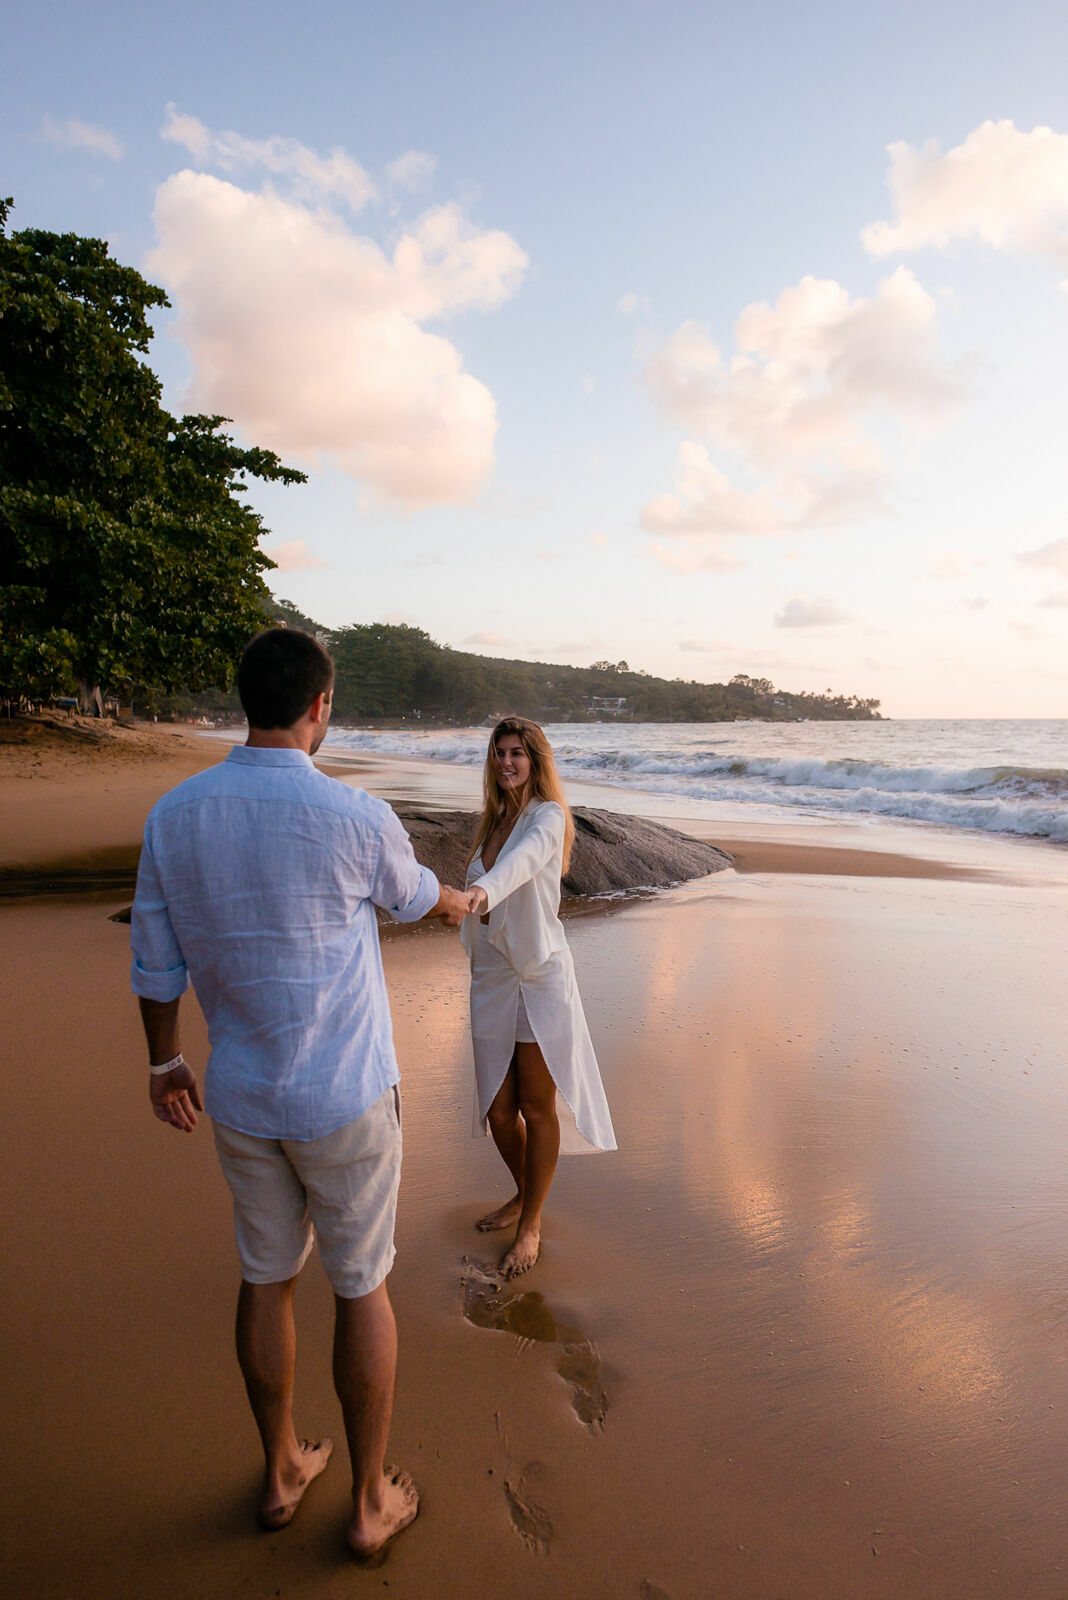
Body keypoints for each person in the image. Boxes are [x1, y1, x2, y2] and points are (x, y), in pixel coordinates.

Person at [130, 627, 468, 1560]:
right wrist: (459, 900)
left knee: (266, 1277)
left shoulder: (176, 816)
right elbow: (412, 898)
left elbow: (156, 967)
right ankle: (366, 1502)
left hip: (241, 1097)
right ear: (321, 707)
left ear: (246, 699)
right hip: (347, 1096)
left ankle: (281, 1469)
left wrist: (166, 1064)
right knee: (361, 1287)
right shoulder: (356, 816)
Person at [461, 717, 616, 1278]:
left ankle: (532, 1222)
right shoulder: (494, 820)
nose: (506, 762)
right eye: (499, 753)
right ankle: (525, 1194)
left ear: (536, 760)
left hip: (540, 974)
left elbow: (519, 867)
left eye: (517, 753)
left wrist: (478, 890)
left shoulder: (548, 818)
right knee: (498, 1110)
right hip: (495, 977)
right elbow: (496, 870)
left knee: (534, 1105)